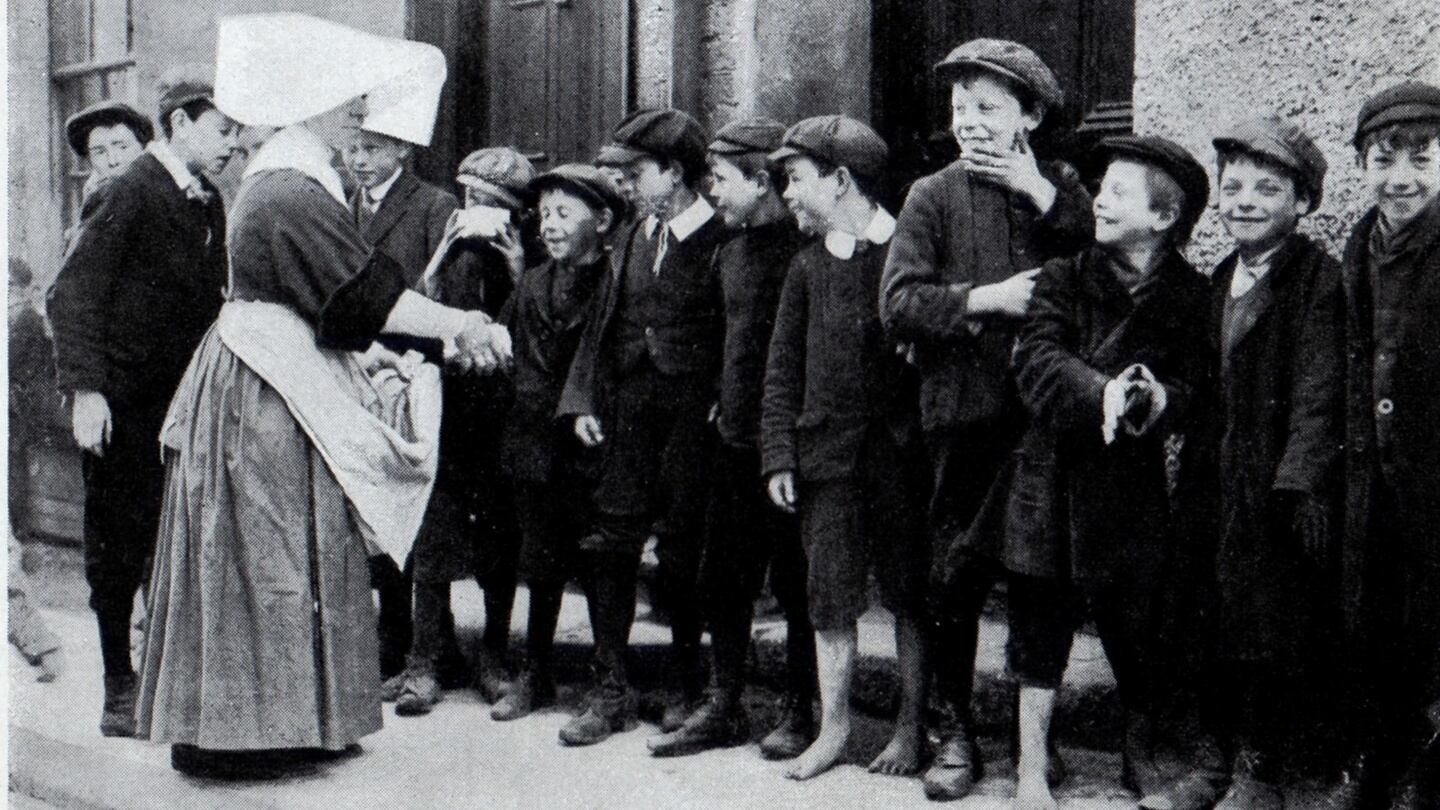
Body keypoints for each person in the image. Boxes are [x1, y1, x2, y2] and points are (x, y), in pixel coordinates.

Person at [132, 13, 512, 778]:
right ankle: (239, 733)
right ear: (313, 106)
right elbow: (367, 296)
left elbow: (342, 303)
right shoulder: (290, 188)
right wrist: (462, 325)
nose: (358, 119)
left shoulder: (289, 178)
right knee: (262, 552)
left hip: (273, 376)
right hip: (263, 390)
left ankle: (288, 722)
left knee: (288, 549)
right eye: (348, 106)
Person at [879, 38, 1094, 801]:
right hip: (961, 418)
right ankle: (955, 736)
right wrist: (982, 300)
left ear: (1029, 116)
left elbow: (1098, 269)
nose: (970, 123)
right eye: (959, 108)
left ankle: (1035, 744)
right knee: (954, 580)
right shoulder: (930, 196)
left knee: (1040, 582)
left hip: (1040, 423)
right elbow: (898, 301)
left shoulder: (1063, 189)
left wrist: (1043, 197)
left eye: (989, 108)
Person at [1004, 135, 1214, 810]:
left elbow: (1197, 387)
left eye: (1118, 191)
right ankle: (1032, 764)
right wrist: (1101, 391)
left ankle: (1142, 753)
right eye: (1102, 188)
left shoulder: (1191, 295)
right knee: (1039, 627)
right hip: (1052, 478)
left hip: (1130, 485)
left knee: (1138, 627)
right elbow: (1035, 359)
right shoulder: (1065, 275)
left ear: (1163, 217)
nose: (1099, 199)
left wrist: (1156, 397)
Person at [47, 66, 239, 739]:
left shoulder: (206, 200)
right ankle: (117, 685)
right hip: (122, 410)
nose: (232, 144)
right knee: (116, 550)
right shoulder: (128, 191)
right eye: (223, 129)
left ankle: (164, 678)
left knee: (171, 541)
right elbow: (70, 293)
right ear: (181, 123)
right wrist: (87, 391)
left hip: (180, 410)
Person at [761, 115, 931, 781]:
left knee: (911, 592)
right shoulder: (805, 268)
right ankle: (834, 729)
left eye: (796, 180)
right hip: (826, 462)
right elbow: (781, 370)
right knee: (828, 594)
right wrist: (779, 453)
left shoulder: (910, 255)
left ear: (841, 180)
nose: (789, 195)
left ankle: (912, 729)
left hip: (901, 461)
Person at [1179, 117, 1342, 810]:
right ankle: (1211, 761)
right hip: (1216, 483)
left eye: (1266, 189)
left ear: (1302, 202)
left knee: (1268, 630)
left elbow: (1320, 389)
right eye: (1234, 187)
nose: (1245, 200)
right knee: (1210, 618)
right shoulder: (1221, 278)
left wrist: (1299, 482)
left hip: (1277, 489)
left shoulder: (1317, 281)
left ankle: (1259, 770)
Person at [556, 108, 728, 746]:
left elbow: (736, 337)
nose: (623, 183)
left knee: (683, 552)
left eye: (635, 172)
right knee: (610, 543)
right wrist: (583, 400)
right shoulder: (629, 234)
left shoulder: (720, 239)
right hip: (627, 411)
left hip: (690, 419)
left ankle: (686, 685)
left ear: (675, 173)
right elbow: (604, 322)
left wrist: (719, 400)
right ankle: (610, 690)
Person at [647, 117, 817, 760]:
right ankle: (725, 706)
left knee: (798, 583)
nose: (712, 192)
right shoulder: (731, 248)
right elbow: (727, 336)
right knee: (722, 576)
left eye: (722, 180)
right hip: (735, 438)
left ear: (762, 181)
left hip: (791, 444)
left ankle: (801, 710)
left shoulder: (803, 250)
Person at [1324, 81, 1440, 810]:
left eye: (1421, 159)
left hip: (1435, 473)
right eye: (1381, 159)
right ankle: (1378, 758)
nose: (1400, 177)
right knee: (1379, 623)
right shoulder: (1360, 243)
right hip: (1376, 475)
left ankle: (1424, 775)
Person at [389, 146, 536, 716]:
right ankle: (425, 659)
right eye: (471, 197)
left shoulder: (531, 253)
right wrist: (437, 260)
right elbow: (419, 317)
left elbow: (537, 327)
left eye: (493, 203)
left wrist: (520, 269)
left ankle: (494, 656)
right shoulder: (450, 250)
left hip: (501, 412)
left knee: (499, 536)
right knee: (433, 533)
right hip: (447, 406)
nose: (478, 210)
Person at [489, 163, 627, 722]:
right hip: (534, 447)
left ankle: (609, 682)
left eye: (563, 213)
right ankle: (535, 674)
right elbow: (505, 344)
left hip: (590, 449)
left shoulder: (618, 283)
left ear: (602, 219)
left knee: (599, 566)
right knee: (539, 564)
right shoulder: (533, 282)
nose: (549, 225)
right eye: (544, 214)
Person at [343, 102, 465, 685]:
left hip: (420, 379)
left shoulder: (434, 207)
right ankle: (389, 646)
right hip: (362, 379)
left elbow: (446, 299)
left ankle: (429, 655)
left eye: (371, 147)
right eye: (352, 146)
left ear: (402, 149)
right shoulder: (341, 210)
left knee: (425, 519)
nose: (358, 158)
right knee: (377, 514)